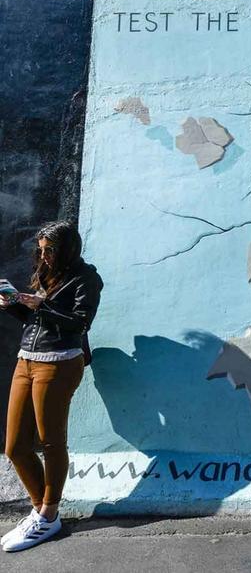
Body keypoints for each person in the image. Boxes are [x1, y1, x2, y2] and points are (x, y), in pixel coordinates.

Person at [0, 220, 103, 553]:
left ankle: (49, 513)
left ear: (69, 248)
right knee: (15, 446)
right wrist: (15, 304)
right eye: (41, 250)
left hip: (59, 363)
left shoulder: (86, 278)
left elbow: (79, 322)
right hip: (26, 360)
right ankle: (39, 510)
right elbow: (36, 321)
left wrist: (40, 304)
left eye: (50, 250)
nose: (44, 257)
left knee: (51, 441)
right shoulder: (45, 274)